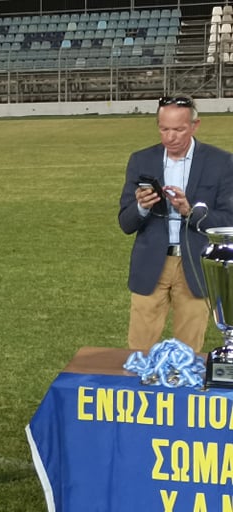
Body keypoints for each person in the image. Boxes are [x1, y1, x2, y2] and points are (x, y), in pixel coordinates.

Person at [118, 95, 233, 352]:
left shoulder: (221, 162)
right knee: (139, 353)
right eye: (164, 129)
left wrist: (190, 212)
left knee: (188, 355)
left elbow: (229, 221)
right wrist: (142, 206)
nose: (170, 137)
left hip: (195, 265)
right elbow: (125, 223)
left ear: (195, 125)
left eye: (179, 129)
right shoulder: (141, 160)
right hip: (150, 264)